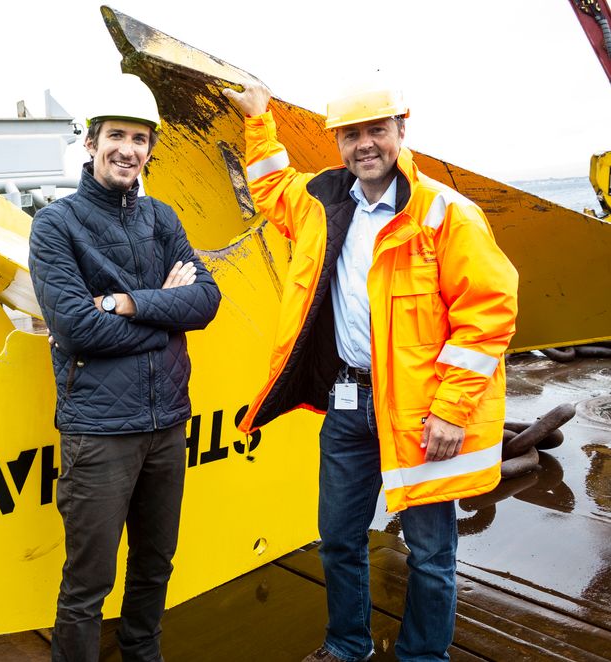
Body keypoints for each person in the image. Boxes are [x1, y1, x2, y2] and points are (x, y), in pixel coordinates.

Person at [223, 82, 518, 661]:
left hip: (421, 412)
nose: (365, 145)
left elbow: (489, 315)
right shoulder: (321, 204)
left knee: (432, 555)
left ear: (401, 132)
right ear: (337, 142)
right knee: (337, 539)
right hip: (348, 402)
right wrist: (259, 120)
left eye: (376, 130)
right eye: (352, 134)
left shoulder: (446, 214)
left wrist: (451, 410)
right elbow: (271, 188)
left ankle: (422, 656)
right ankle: (346, 645)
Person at [28, 74, 221, 662]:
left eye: (140, 139)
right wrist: (166, 308)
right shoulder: (55, 225)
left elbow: (206, 302)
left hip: (166, 426)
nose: (128, 149)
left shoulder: (162, 218)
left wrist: (126, 301)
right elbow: (76, 329)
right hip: (99, 433)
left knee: (155, 566)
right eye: (116, 135)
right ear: (90, 142)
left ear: (149, 149)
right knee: (88, 583)